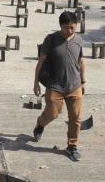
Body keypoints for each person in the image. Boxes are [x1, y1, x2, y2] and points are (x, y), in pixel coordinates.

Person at [32, 11, 86, 162]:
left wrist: (83, 81)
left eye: (72, 28)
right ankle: (40, 124)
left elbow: (81, 61)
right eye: (66, 27)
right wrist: (36, 82)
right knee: (52, 114)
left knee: (76, 118)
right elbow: (41, 62)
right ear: (60, 26)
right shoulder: (51, 39)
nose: (69, 31)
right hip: (55, 86)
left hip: (74, 86)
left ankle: (72, 146)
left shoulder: (79, 40)